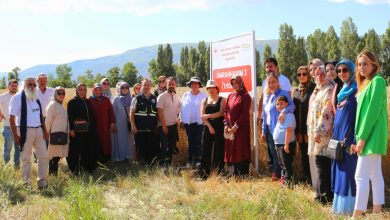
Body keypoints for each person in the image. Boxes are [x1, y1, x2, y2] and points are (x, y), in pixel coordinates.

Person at [352, 51, 388, 218]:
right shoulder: (366, 82)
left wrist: (362, 138)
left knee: (360, 175)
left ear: (374, 64)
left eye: (365, 63)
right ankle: (378, 212)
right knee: (375, 174)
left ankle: (357, 214)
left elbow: (372, 112)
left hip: (372, 134)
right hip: (369, 134)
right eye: (359, 64)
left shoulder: (378, 81)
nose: (361, 67)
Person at [9, 77, 49, 189]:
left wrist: (45, 131)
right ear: (24, 85)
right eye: (29, 84)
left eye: (34, 85)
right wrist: (15, 136)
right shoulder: (17, 98)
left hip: (39, 130)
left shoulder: (36, 98)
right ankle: (26, 184)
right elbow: (11, 118)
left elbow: (40, 116)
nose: (32, 87)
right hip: (24, 131)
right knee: (26, 158)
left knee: (44, 156)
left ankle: (42, 183)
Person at [330, 60, 358, 215]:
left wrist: (353, 140)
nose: (341, 73)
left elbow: (357, 119)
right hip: (338, 137)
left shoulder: (356, 90)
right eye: (338, 70)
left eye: (345, 70)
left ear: (352, 70)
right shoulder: (343, 89)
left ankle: (348, 209)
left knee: (348, 171)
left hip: (348, 139)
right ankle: (338, 208)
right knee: (339, 170)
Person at [307, 65, 334, 205]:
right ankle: (322, 194)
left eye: (323, 73)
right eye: (317, 74)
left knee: (322, 164)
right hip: (316, 133)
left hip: (323, 135)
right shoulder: (319, 90)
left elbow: (326, 112)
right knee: (321, 164)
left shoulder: (329, 89)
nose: (320, 76)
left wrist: (318, 131)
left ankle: (324, 197)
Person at [261, 74, 295, 181]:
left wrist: (284, 112)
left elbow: (292, 106)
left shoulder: (283, 93)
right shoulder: (268, 96)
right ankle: (278, 174)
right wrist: (263, 130)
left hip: (281, 130)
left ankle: (284, 177)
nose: (271, 84)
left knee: (282, 155)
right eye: (269, 83)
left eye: (273, 82)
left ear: (278, 83)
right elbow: (265, 114)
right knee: (274, 153)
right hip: (270, 129)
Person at [67, 83, 99, 173]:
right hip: (77, 132)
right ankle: (75, 169)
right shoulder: (72, 102)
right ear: (76, 90)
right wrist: (71, 129)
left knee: (86, 150)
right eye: (80, 89)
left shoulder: (87, 102)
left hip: (87, 131)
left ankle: (86, 167)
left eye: (84, 89)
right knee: (76, 150)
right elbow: (70, 117)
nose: (82, 91)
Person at [224, 75, 252, 177]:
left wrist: (236, 126)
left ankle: (242, 174)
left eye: (236, 83)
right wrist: (226, 125)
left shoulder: (246, 96)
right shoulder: (230, 96)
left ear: (241, 83)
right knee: (231, 149)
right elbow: (226, 112)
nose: (235, 85)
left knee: (241, 149)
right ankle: (232, 173)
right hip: (230, 129)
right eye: (233, 84)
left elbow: (244, 114)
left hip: (241, 129)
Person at [292, 66, 316, 184]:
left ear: (309, 75)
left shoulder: (314, 89)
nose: (301, 76)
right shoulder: (296, 91)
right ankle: (306, 176)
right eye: (299, 74)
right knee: (303, 153)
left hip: (310, 128)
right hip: (299, 128)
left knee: (311, 153)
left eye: (304, 74)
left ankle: (313, 178)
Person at [199, 80, 226, 179]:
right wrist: (210, 126)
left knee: (219, 150)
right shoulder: (204, 101)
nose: (211, 89)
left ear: (216, 88)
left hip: (219, 127)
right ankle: (204, 174)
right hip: (207, 127)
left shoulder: (222, 99)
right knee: (205, 150)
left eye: (213, 87)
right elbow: (202, 116)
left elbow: (221, 113)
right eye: (209, 88)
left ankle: (218, 173)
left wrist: (209, 115)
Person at [130, 79, 159, 165]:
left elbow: (158, 113)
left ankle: (151, 165)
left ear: (151, 86)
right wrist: (133, 126)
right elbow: (131, 113)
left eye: (148, 85)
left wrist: (157, 124)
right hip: (139, 130)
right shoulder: (136, 98)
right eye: (144, 85)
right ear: (142, 86)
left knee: (151, 148)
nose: (146, 86)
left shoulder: (155, 98)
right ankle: (141, 166)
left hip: (152, 130)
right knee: (140, 148)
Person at [180, 76, 207, 167]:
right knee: (190, 141)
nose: (194, 85)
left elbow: (206, 108)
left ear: (199, 85)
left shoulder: (203, 95)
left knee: (198, 141)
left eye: (196, 83)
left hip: (199, 122)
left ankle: (198, 160)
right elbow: (182, 108)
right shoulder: (185, 95)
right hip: (188, 122)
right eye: (192, 83)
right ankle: (190, 159)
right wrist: (181, 118)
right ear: (190, 85)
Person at [257, 58, 292, 124]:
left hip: (280, 119)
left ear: (276, 67)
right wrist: (259, 114)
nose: (268, 69)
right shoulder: (265, 82)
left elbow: (289, 99)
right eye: (267, 67)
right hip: (267, 119)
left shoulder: (284, 80)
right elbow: (262, 98)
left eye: (271, 66)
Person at [88, 83, 116, 163]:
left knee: (105, 141)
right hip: (94, 125)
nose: (97, 91)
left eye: (99, 89)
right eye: (96, 90)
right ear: (93, 90)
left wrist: (112, 122)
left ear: (101, 90)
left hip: (105, 125)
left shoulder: (106, 99)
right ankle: (96, 158)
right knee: (96, 141)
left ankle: (106, 158)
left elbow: (111, 112)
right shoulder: (89, 100)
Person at [157, 77, 181, 167]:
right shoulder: (161, 96)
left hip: (173, 126)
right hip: (164, 126)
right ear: (166, 85)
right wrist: (163, 126)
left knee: (171, 146)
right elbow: (159, 112)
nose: (171, 86)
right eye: (169, 84)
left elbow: (180, 109)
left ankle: (168, 165)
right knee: (164, 147)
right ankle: (162, 166)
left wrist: (179, 117)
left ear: (175, 85)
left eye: (173, 84)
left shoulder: (177, 97)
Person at [273, 95, 296, 186]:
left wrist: (286, 145)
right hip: (279, 144)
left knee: (287, 165)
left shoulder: (289, 115)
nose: (279, 106)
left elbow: (289, 130)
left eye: (281, 103)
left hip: (285, 144)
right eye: (277, 104)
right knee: (282, 165)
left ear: (287, 104)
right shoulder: (282, 114)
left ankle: (289, 184)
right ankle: (284, 182)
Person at [45, 87, 69, 175]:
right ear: (55, 94)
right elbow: (48, 121)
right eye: (59, 93)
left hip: (61, 135)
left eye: (63, 93)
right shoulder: (52, 105)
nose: (61, 95)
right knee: (53, 156)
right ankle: (52, 174)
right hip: (54, 135)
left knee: (57, 156)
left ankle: (54, 174)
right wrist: (46, 134)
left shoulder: (61, 105)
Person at [111, 82, 133, 162]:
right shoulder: (116, 99)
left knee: (128, 139)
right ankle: (119, 157)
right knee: (120, 140)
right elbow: (112, 112)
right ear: (120, 89)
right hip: (119, 123)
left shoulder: (131, 98)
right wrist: (113, 123)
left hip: (128, 123)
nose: (124, 89)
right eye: (122, 88)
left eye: (126, 88)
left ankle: (128, 156)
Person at [0, 79, 20, 167]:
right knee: (7, 148)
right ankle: (7, 165)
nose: (14, 87)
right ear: (8, 86)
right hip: (7, 126)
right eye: (12, 85)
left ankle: (16, 165)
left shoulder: (20, 96)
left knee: (18, 147)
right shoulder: (3, 96)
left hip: (18, 126)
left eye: (15, 86)